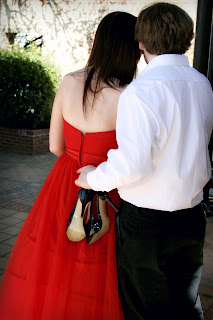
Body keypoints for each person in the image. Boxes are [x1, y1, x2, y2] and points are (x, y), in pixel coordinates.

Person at [75, 3, 213, 320]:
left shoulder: (141, 91)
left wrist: (93, 178)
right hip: (192, 217)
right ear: (188, 39)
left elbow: (133, 165)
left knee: (142, 309)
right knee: (183, 307)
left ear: (141, 44)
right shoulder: (201, 83)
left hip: (147, 225)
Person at [0, 12, 141, 320]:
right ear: (130, 48)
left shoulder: (68, 81)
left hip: (64, 179)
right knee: (98, 265)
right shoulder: (128, 95)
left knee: (55, 257)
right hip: (107, 186)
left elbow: (54, 146)